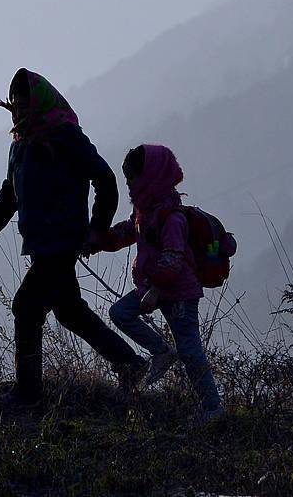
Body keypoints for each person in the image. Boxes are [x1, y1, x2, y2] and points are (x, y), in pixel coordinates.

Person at [0, 68, 146, 405]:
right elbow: (10, 194)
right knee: (69, 311)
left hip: (61, 241)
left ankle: (28, 394)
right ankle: (131, 364)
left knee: (26, 306)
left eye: (25, 104)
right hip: (40, 243)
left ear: (40, 102)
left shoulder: (65, 136)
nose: (19, 111)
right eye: (15, 105)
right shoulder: (20, 145)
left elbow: (104, 180)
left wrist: (97, 228)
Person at [91, 143, 223, 422]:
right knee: (120, 313)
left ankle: (213, 409)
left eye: (132, 179)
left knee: (190, 349)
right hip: (155, 287)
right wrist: (98, 241)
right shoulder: (145, 211)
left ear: (150, 177)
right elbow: (127, 233)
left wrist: (156, 289)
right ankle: (162, 351)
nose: (128, 186)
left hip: (178, 292)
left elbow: (173, 259)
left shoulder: (172, 217)